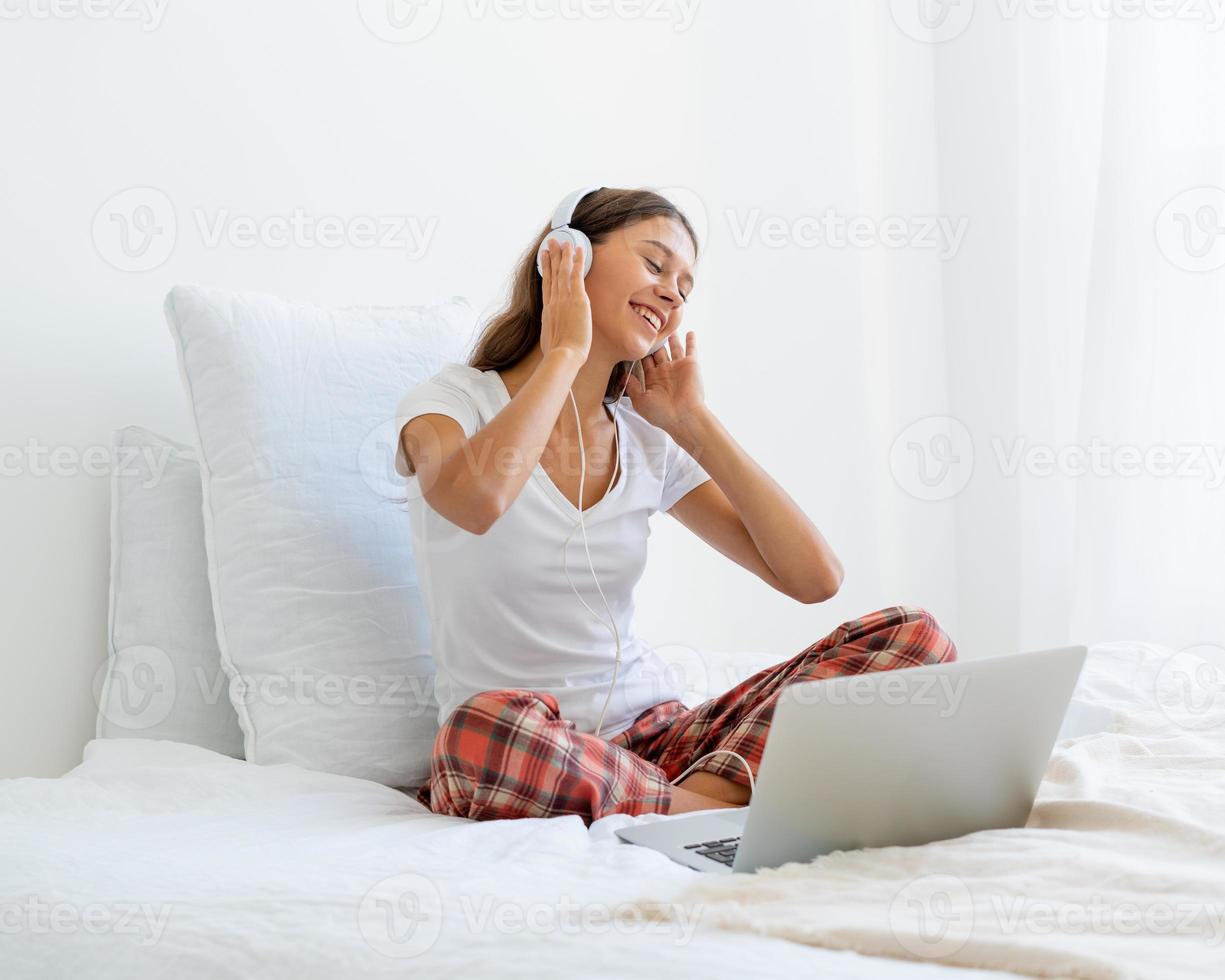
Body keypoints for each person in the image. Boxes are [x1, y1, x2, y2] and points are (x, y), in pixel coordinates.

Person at [395, 187, 957, 825]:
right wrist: (563, 353)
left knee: (915, 638)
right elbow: (476, 501)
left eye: (685, 287)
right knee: (475, 734)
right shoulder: (450, 403)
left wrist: (694, 422)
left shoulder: (646, 440)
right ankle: (715, 810)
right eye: (655, 266)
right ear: (569, 258)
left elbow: (814, 579)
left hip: (659, 740)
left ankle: (685, 806)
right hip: (525, 747)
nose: (672, 294)